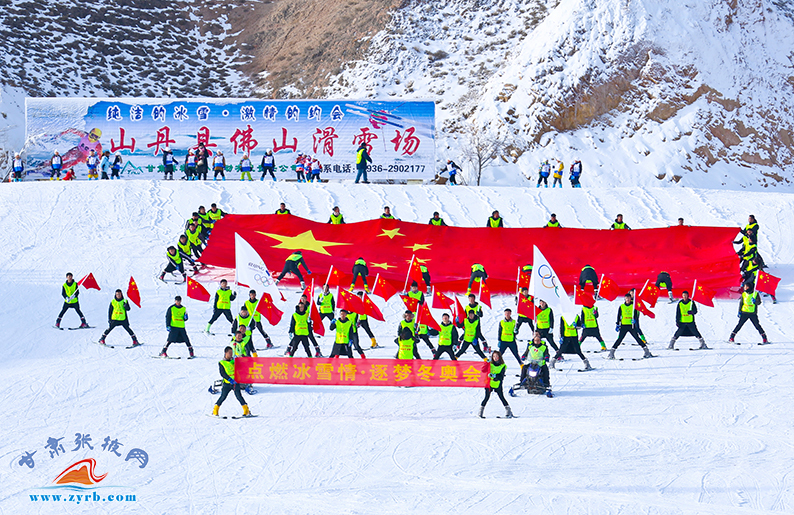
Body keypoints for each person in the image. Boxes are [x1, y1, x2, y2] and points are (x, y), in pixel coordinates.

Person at [608, 293, 653, 359]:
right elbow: (619, 316)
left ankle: (647, 351)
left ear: (630, 299)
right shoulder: (622, 306)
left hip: (631, 326)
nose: (628, 299)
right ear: (625, 299)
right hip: (624, 325)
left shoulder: (633, 306)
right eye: (626, 298)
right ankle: (611, 353)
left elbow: (635, 315)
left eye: (629, 298)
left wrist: (635, 321)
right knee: (619, 339)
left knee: (637, 338)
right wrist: (618, 324)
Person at [212, 346, 252, 418]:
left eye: (232, 352)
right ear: (225, 353)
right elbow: (222, 373)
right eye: (229, 353)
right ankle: (215, 410)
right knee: (223, 397)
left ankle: (246, 410)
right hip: (227, 383)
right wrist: (229, 379)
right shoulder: (222, 362)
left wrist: (241, 359)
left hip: (235, 382)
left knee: (239, 396)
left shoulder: (234, 360)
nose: (231, 354)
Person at [478, 351, 514, 418]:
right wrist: (486, 363)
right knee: (486, 397)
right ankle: (480, 413)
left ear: (499, 357)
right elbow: (483, 370)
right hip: (489, 383)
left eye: (497, 356)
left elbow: (501, 376)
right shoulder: (490, 364)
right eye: (494, 356)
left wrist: (495, 376)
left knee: (501, 397)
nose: (495, 358)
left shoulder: (503, 366)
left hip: (498, 384)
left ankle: (508, 412)